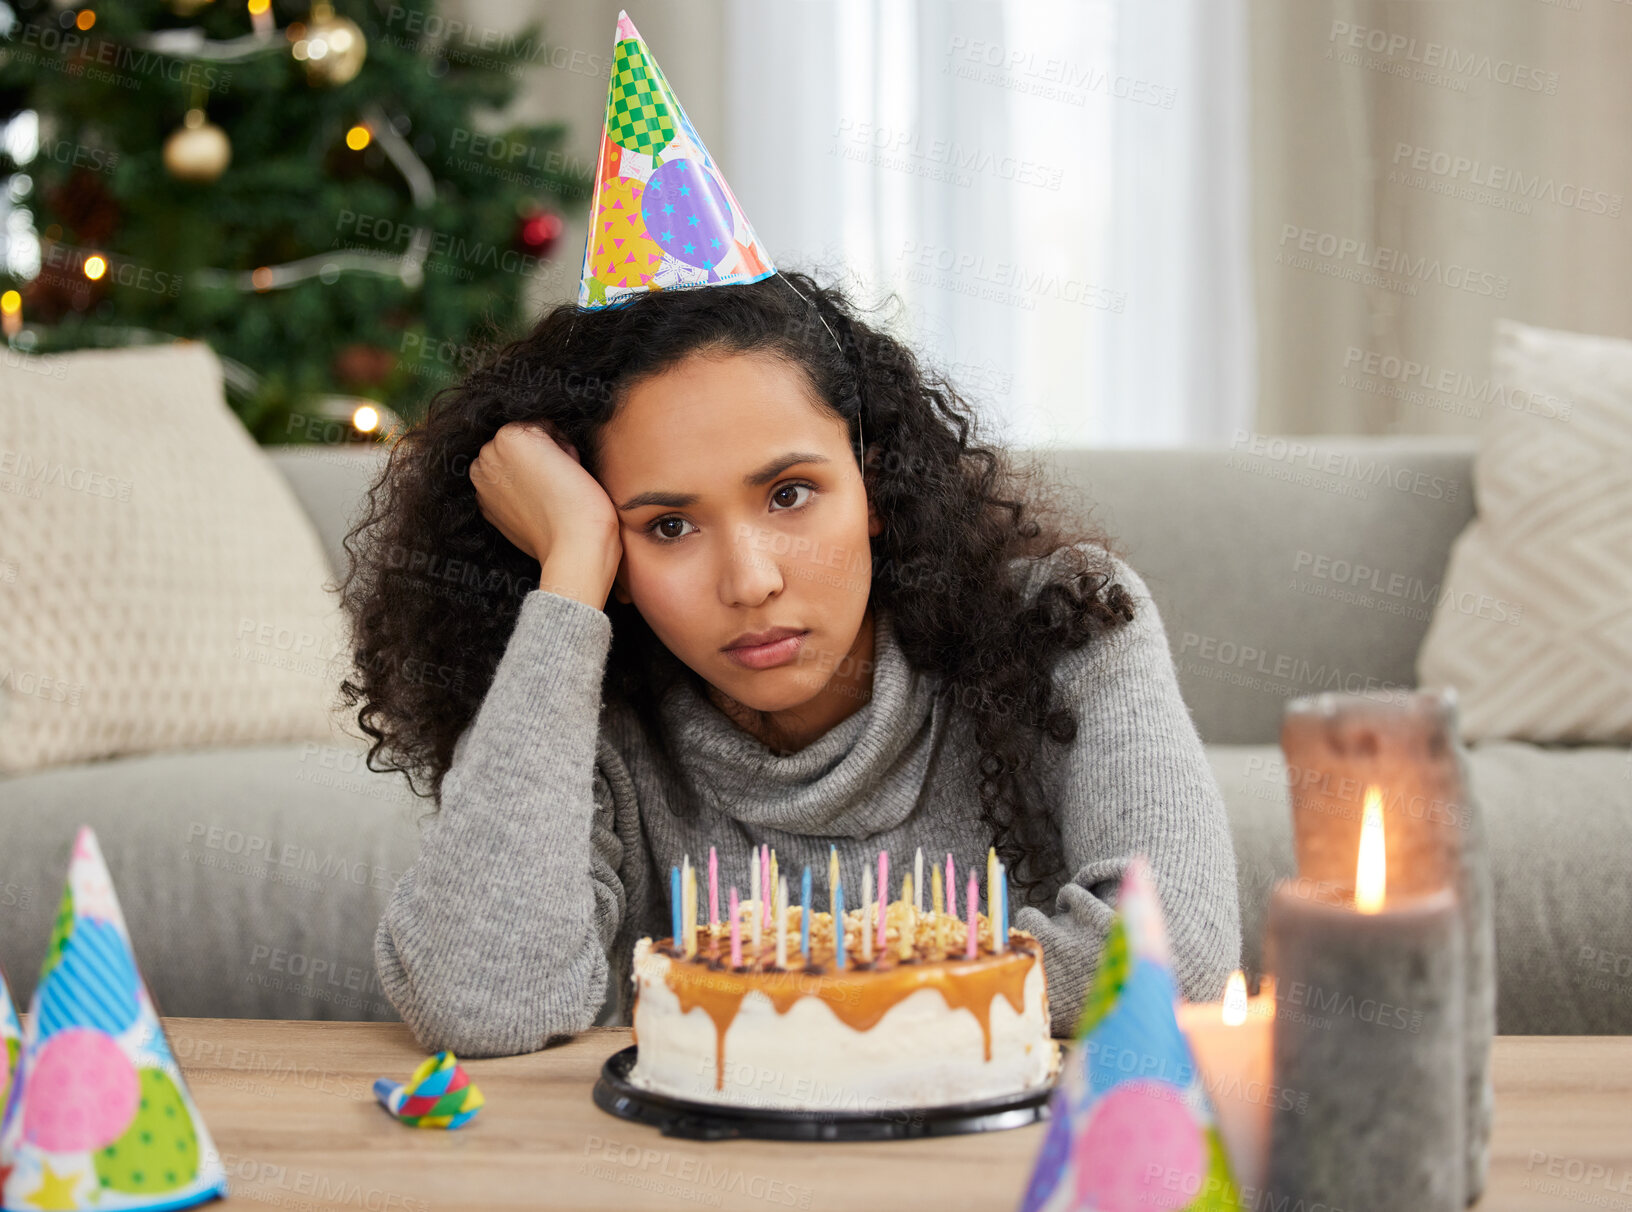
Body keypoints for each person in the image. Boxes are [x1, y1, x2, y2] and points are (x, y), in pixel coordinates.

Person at [341, 10, 1238, 1059]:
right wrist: (571, 576)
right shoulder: (583, 690)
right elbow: (480, 1003)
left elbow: (1176, 950)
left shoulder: (1068, 622)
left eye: (790, 495)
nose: (750, 580)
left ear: (879, 482)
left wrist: (817, 993)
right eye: (666, 525)